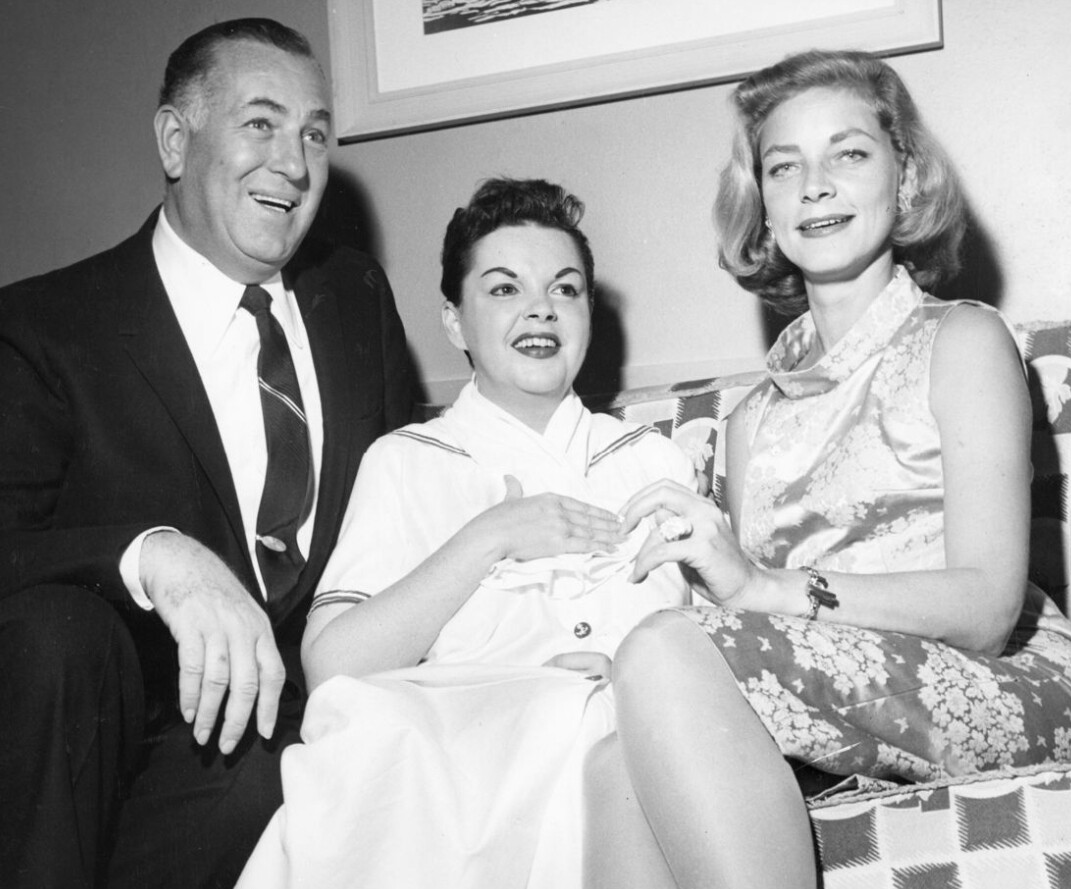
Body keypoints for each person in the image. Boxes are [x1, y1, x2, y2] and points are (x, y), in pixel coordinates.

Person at [587, 50, 1071, 889]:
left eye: (849, 153)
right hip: (852, 696)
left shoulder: (962, 340)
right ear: (762, 207)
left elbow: (986, 608)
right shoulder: (749, 422)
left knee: (658, 651)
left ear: (903, 181)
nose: (814, 186)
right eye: (783, 166)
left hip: (1011, 682)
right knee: (612, 758)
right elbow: (757, 635)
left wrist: (759, 587)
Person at [0, 18, 413, 889]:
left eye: (314, 134)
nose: (293, 164)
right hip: (119, 734)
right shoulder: (45, 326)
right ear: (174, 140)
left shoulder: (354, 296)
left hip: (299, 724)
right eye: (261, 123)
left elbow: (405, 506)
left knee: (282, 776)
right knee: (55, 633)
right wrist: (154, 555)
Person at [233, 178, 697, 888]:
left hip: (634, 742)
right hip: (474, 763)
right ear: (454, 322)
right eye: (505, 288)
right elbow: (332, 667)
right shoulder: (406, 462)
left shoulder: (655, 462)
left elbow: (716, 642)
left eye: (565, 289)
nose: (541, 308)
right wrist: (487, 538)